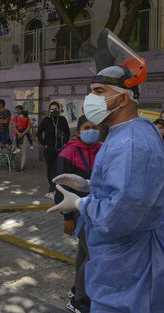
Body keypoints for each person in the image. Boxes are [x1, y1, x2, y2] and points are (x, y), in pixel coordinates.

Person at [48, 34, 164, 312]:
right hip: (117, 265)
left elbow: (123, 212)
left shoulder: (133, 144)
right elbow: (125, 185)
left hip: (129, 273)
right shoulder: (121, 133)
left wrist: (79, 203)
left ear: (123, 99)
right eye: (91, 91)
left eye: (98, 91)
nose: (90, 98)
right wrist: (89, 184)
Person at [54, 115, 101, 313]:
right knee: (93, 255)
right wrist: (67, 218)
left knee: (84, 253)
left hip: (94, 208)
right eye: (87, 127)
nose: (91, 130)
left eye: (95, 126)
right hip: (76, 210)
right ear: (78, 131)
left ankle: (76, 290)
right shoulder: (68, 152)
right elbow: (58, 187)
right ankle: (79, 300)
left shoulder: (101, 148)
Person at [37, 101, 70, 199]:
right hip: (49, 150)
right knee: (50, 170)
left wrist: (65, 142)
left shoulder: (63, 120)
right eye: (52, 109)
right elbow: (39, 133)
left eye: (56, 109)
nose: (54, 111)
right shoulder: (46, 120)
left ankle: (58, 189)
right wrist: (44, 144)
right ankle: (52, 189)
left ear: (59, 110)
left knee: (58, 169)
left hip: (60, 149)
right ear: (49, 110)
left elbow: (67, 132)